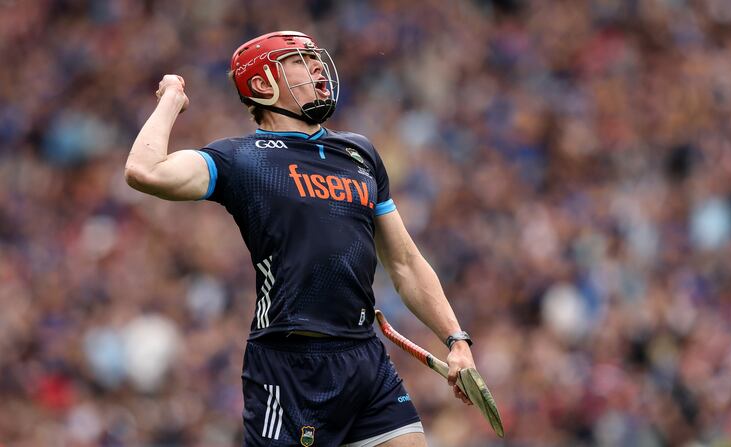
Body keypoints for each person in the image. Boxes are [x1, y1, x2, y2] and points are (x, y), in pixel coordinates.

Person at [124, 30, 476, 447]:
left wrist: (456, 340)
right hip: (289, 368)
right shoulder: (239, 158)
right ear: (261, 84)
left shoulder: (360, 153)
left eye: (314, 58)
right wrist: (171, 99)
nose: (317, 68)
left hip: (365, 359)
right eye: (298, 61)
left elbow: (404, 262)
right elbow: (144, 170)